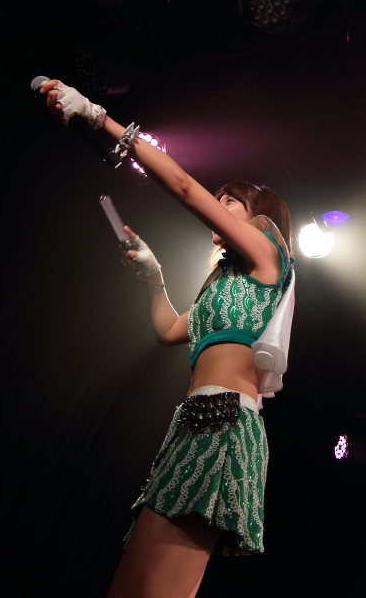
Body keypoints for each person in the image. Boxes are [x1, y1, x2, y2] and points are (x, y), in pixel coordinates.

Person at [39, 79, 296, 598]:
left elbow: (183, 187)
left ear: (260, 216)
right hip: (193, 424)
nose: (217, 208)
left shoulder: (269, 258)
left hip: (225, 424)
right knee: (129, 588)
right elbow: (169, 330)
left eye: (230, 202)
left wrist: (99, 117)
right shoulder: (219, 288)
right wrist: (154, 276)